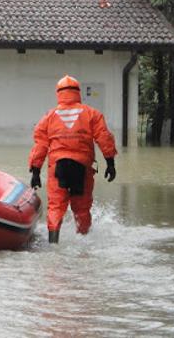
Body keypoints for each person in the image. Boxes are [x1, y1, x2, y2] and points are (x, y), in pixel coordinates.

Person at [27, 75, 117, 244]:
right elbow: (104, 138)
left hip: (57, 169)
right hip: (82, 168)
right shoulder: (92, 114)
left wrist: (36, 172)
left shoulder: (49, 117)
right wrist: (110, 163)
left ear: (58, 93)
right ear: (78, 92)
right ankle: (83, 243)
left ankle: (53, 244)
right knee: (82, 209)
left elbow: (40, 145)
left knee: (55, 207)